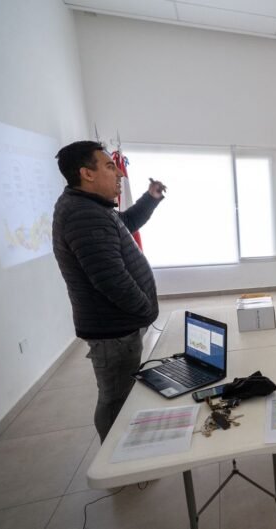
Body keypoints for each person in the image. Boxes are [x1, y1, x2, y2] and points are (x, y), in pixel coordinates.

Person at [52, 141, 166, 441]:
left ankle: (124, 451)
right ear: (86, 174)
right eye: (109, 166)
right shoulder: (83, 215)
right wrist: (146, 310)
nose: (119, 174)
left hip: (116, 325)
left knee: (121, 392)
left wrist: (150, 199)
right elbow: (111, 279)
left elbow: (124, 223)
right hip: (113, 330)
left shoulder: (90, 207)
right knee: (116, 397)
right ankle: (116, 461)